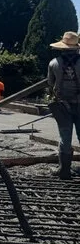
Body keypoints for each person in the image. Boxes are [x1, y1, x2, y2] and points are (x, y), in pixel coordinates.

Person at [47, 31, 80, 180]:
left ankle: (64, 171)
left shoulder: (53, 63)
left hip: (63, 106)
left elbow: (50, 84)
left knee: (65, 137)